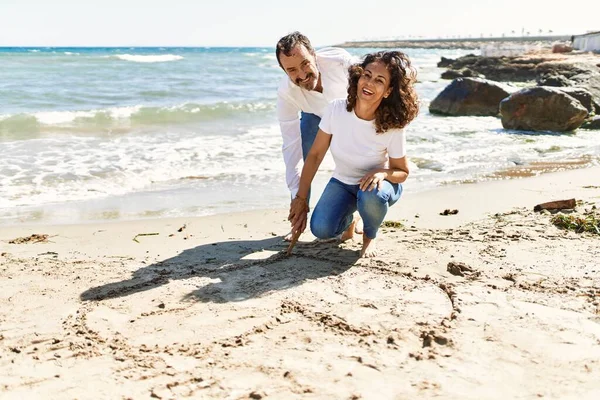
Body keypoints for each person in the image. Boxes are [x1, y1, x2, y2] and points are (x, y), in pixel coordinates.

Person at [288, 51, 419, 258]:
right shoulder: (336, 110)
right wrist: (301, 198)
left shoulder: (393, 126)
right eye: (366, 75)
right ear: (358, 77)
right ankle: (351, 220)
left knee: (371, 196)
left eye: (379, 80)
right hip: (344, 182)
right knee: (321, 229)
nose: (369, 83)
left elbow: (402, 172)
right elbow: (314, 155)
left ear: (387, 91)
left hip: (378, 187)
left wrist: (382, 174)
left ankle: (370, 235)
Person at [275, 32, 356, 239]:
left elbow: (376, 75)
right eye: (291, 70)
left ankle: (353, 216)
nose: (301, 75)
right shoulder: (286, 92)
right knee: (305, 156)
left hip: (351, 116)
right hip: (315, 116)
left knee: (354, 162)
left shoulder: (340, 62)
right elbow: (291, 147)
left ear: (314, 55)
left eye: (305, 64)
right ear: (284, 71)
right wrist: (297, 197)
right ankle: (298, 220)